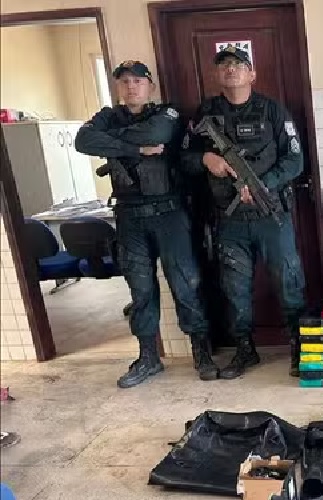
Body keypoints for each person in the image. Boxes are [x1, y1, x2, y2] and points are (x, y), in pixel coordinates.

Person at [74, 60, 218, 388]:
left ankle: (201, 352)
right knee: (140, 289)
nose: (131, 87)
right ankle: (148, 357)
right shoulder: (107, 117)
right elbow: (83, 141)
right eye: (124, 82)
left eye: (137, 81)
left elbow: (155, 134)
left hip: (169, 214)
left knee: (186, 283)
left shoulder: (166, 114)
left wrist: (113, 142)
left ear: (150, 86)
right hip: (129, 217)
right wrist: (136, 148)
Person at [181, 45, 306, 379]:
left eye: (238, 64)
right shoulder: (205, 114)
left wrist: (263, 184)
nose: (231, 69)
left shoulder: (273, 111)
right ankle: (244, 350)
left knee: (289, 281)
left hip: (271, 215)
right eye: (224, 65)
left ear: (252, 73)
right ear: (216, 74)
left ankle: (299, 346)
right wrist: (206, 159)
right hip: (229, 219)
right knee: (234, 287)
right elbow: (184, 159)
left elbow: (295, 160)